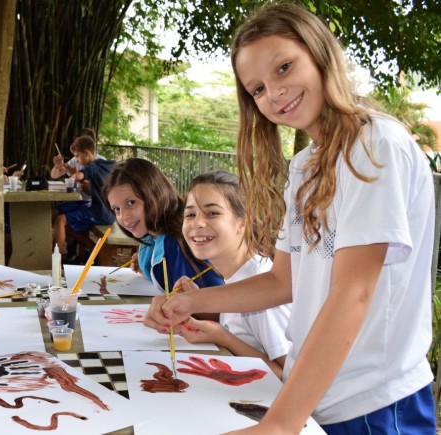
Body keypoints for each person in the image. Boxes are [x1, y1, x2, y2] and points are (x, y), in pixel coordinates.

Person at [144, 3, 436, 433]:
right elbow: (285, 281)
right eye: (257, 88)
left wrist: (279, 425)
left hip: (374, 402)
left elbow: (353, 293)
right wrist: (195, 302)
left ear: (319, 54)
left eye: (283, 67)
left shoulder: (374, 144)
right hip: (314, 395)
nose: (274, 92)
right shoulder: (304, 166)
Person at [176, 171, 291, 378]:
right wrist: (202, 306)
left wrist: (224, 338)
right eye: (190, 214)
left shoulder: (263, 288)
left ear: (242, 223)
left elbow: (289, 376)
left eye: (212, 213)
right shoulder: (234, 276)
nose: (197, 223)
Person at [103, 158, 223, 292]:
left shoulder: (177, 241)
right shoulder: (152, 234)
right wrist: (148, 265)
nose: (123, 216)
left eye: (131, 202)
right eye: (116, 209)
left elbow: (211, 300)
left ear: (154, 194)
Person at [53, 135, 115, 257]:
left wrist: (72, 179)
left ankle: (58, 259)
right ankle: (86, 252)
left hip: (101, 213)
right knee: (62, 218)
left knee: (60, 220)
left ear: (86, 153)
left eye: (77, 156)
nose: (77, 159)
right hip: (109, 211)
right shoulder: (107, 164)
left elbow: (78, 176)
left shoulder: (92, 167)